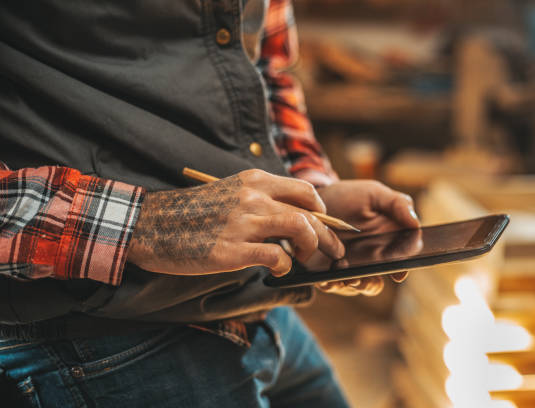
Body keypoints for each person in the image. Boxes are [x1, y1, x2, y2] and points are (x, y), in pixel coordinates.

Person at [0, 1, 419, 406]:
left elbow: (262, 68)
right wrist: (143, 226)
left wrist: (309, 192)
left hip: (255, 300)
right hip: (96, 333)